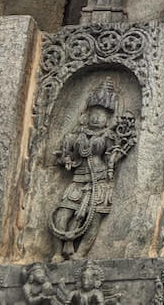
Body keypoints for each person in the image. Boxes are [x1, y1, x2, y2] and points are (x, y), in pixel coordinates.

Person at [50, 79, 136, 260]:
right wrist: (66, 159)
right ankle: (57, 253)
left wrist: (114, 157)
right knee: (62, 214)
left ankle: (80, 253)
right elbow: (65, 154)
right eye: (94, 113)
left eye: (102, 114)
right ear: (86, 115)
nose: (97, 117)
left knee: (93, 219)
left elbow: (110, 157)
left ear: (108, 118)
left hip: (100, 180)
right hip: (78, 180)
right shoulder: (75, 135)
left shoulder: (109, 136)